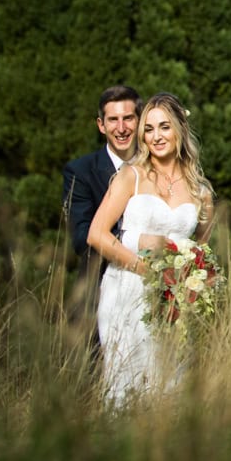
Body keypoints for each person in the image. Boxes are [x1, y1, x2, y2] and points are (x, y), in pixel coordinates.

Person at [87, 92, 215, 404]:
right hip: (125, 291)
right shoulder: (131, 176)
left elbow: (200, 253)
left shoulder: (201, 193)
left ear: (180, 130)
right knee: (126, 386)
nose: (156, 136)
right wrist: (142, 260)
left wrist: (187, 281)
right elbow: (97, 234)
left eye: (164, 127)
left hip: (170, 302)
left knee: (170, 386)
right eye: (149, 129)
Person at [62, 85, 142, 345]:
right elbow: (82, 239)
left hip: (153, 292)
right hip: (98, 296)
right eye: (113, 120)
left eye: (128, 118)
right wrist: (139, 242)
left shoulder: (158, 168)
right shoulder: (80, 172)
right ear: (101, 125)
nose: (121, 128)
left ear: (139, 121)